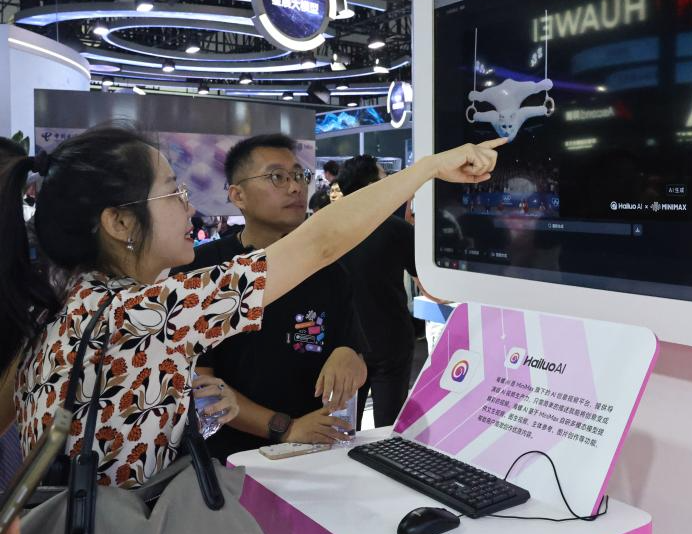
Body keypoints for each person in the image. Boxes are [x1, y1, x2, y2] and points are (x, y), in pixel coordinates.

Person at [0, 124, 503, 491]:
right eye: (173, 192)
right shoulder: (149, 311)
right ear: (120, 223)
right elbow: (320, 242)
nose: (190, 207)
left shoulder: (56, 306)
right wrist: (428, 168)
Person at [181, 134, 368, 461]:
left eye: (299, 175)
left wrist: (349, 355)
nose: (295, 188)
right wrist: (285, 427)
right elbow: (201, 385)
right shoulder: (207, 269)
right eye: (277, 177)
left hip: (314, 451)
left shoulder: (328, 269)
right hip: (231, 460)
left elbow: (355, 352)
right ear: (237, 195)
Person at [337, 155, 429, 428]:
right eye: (384, 178)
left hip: (344, 344)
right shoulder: (396, 229)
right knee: (388, 428)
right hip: (390, 340)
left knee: (343, 428)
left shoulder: (329, 229)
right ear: (372, 186)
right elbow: (427, 284)